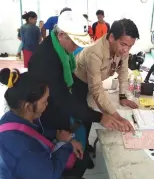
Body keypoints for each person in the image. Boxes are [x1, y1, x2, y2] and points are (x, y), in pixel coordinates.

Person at [28, 11, 128, 167]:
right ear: (61, 34)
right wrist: (101, 117)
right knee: (61, 153)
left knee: (74, 125)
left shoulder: (60, 49)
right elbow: (63, 100)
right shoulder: (47, 59)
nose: (77, 47)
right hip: (44, 114)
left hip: (55, 104)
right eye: (74, 42)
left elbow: (65, 96)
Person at [0, 68, 88, 179]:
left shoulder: (11, 117)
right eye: (44, 101)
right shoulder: (22, 148)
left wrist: (55, 134)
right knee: (80, 162)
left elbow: (33, 132)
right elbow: (50, 174)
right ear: (28, 106)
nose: (47, 104)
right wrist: (68, 146)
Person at [74, 18, 140, 131]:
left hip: (94, 81)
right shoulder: (94, 52)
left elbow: (123, 73)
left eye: (130, 46)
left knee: (93, 110)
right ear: (111, 37)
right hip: (78, 81)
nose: (126, 50)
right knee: (83, 115)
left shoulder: (122, 50)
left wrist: (123, 96)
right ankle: (81, 145)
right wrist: (117, 117)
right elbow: (96, 88)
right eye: (124, 44)